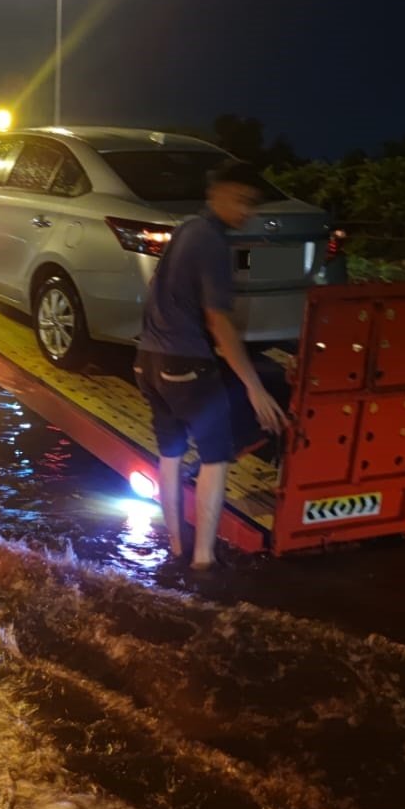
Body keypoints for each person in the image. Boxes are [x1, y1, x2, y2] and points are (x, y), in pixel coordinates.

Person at [134, 159, 287, 570]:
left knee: (170, 454)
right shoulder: (213, 243)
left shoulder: (186, 228)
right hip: (184, 363)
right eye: (240, 200)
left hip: (148, 360)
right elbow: (220, 322)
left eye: (251, 204)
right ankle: (203, 560)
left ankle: (177, 548)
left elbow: (155, 287)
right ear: (215, 193)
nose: (246, 211)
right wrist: (254, 387)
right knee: (217, 456)